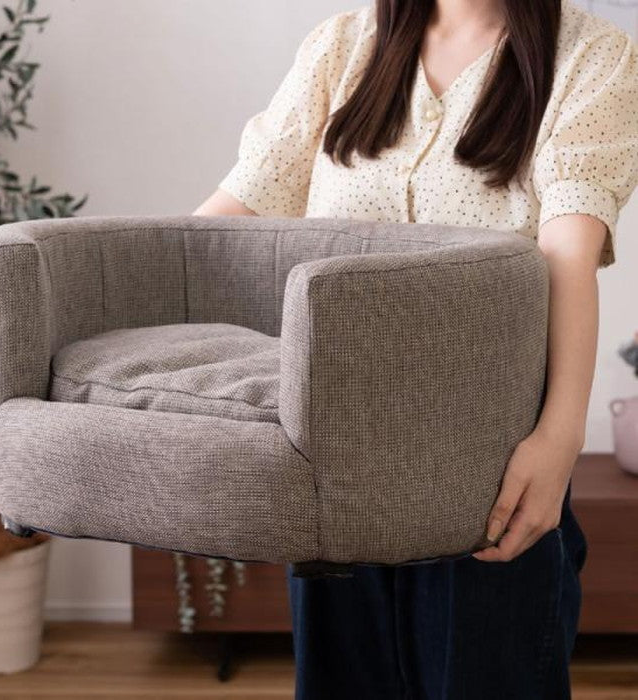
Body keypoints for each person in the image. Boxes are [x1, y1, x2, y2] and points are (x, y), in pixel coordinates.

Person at [193, 0, 638, 697]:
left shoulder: (592, 57)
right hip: (332, 466)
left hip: (486, 470)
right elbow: (226, 222)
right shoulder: (341, 47)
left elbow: (566, 261)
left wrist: (560, 440)